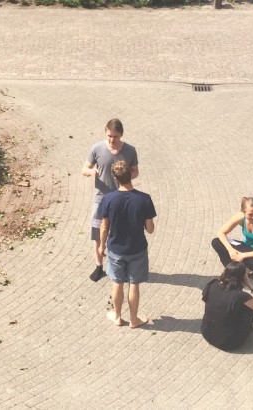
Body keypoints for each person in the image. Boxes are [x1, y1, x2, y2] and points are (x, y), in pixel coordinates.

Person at [97, 160, 156, 328]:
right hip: (137, 248)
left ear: (115, 178)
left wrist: (101, 246)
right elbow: (150, 229)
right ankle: (134, 319)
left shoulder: (108, 199)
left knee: (117, 283)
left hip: (115, 248)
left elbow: (104, 227)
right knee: (134, 284)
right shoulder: (144, 199)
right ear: (131, 174)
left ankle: (116, 316)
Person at [82, 119, 139, 282]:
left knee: (121, 234)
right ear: (105, 133)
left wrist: (126, 175)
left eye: (115, 136)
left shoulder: (130, 150)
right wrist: (91, 171)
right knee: (97, 233)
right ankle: (99, 266)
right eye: (109, 136)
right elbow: (84, 168)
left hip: (122, 199)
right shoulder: (97, 148)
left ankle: (121, 266)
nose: (112, 140)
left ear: (121, 135)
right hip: (101, 199)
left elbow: (135, 171)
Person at [201, 262, 253, 351]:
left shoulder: (213, 284)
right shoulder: (240, 296)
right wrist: (251, 286)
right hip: (227, 342)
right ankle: (249, 325)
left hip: (206, 332)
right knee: (250, 308)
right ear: (242, 278)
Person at [210, 197, 253, 276]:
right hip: (246, 248)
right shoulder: (240, 217)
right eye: (250, 214)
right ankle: (234, 269)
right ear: (243, 212)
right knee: (216, 242)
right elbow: (221, 232)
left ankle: (238, 267)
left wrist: (242, 255)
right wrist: (231, 250)